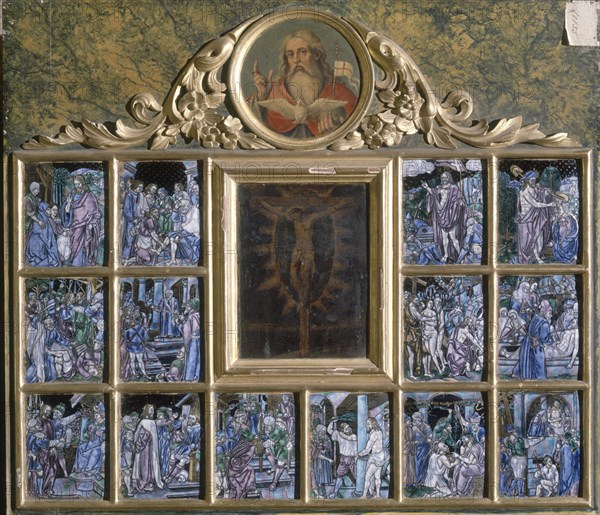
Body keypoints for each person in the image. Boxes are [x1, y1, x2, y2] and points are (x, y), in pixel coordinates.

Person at [251, 29, 357, 138]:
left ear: (316, 55)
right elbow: (249, 124)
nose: (296, 60)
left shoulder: (339, 92)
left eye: (303, 52)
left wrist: (335, 134)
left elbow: (354, 130)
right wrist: (262, 97)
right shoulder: (273, 90)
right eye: (290, 55)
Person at [421, 171, 468, 263]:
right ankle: (445, 255)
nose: (444, 179)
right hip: (441, 213)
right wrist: (427, 187)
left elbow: (459, 199)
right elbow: (433, 193)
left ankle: (460, 255)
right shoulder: (439, 188)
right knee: (444, 238)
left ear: (449, 178)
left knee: (453, 237)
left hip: (451, 215)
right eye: (442, 177)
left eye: (445, 177)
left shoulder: (454, 188)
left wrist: (460, 202)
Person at [61, 174, 102, 266]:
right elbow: (67, 209)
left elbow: (95, 212)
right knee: (74, 241)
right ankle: (74, 261)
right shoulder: (72, 195)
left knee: (87, 243)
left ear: (83, 183)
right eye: (75, 184)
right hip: (75, 224)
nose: (77, 186)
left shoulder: (89, 196)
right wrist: (68, 205)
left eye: (78, 184)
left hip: (86, 223)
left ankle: (86, 262)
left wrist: (91, 223)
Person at [515, 171, 554, 264]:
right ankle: (533, 257)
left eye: (535, 180)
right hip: (526, 219)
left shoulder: (534, 188)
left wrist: (546, 191)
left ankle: (538, 255)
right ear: (527, 181)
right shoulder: (524, 192)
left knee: (538, 236)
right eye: (532, 180)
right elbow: (535, 204)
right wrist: (549, 204)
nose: (534, 182)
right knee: (531, 239)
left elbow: (541, 193)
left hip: (536, 217)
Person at [512, 302, 552, 380]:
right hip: (536, 345)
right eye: (550, 313)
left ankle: (525, 376)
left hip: (527, 343)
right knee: (539, 364)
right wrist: (551, 340)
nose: (551, 315)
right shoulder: (544, 323)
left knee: (527, 361)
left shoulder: (536, 317)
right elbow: (544, 338)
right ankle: (539, 380)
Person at [132, 404, 164, 493]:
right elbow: (138, 434)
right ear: (146, 411)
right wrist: (139, 442)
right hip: (143, 448)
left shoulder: (152, 422)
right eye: (151, 410)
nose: (152, 412)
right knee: (144, 465)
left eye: (153, 410)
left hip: (149, 448)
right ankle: (143, 483)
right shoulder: (143, 422)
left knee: (149, 464)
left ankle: (149, 482)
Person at [327, 418, 357, 498]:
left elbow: (348, 438)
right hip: (343, 458)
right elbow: (329, 431)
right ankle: (335, 493)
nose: (349, 429)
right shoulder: (339, 435)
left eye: (349, 427)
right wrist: (332, 422)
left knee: (358, 476)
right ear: (343, 430)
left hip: (353, 459)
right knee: (339, 476)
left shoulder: (353, 436)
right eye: (346, 428)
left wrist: (339, 433)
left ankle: (363, 492)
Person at [26, 197, 61, 267]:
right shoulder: (40, 218)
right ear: (43, 210)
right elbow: (42, 233)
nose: (50, 211)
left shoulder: (46, 218)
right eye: (48, 210)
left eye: (49, 210)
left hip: (43, 242)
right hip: (37, 245)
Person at [357, 417, 385, 498]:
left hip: (375, 457)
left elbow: (367, 449)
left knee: (367, 477)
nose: (367, 425)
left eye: (368, 424)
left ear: (373, 424)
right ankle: (378, 494)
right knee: (377, 477)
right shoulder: (379, 431)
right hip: (381, 456)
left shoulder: (373, 434)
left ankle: (364, 495)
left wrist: (359, 454)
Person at [179, 298, 202, 381]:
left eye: (189, 305)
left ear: (193, 307)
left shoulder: (191, 316)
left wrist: (180, 322)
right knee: (197, 359)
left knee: (191, 359)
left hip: (192, 341)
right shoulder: (197, 315)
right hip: (197, 340)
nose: (187, 306)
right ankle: (196, 376)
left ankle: (189, 377)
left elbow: (188, 331)